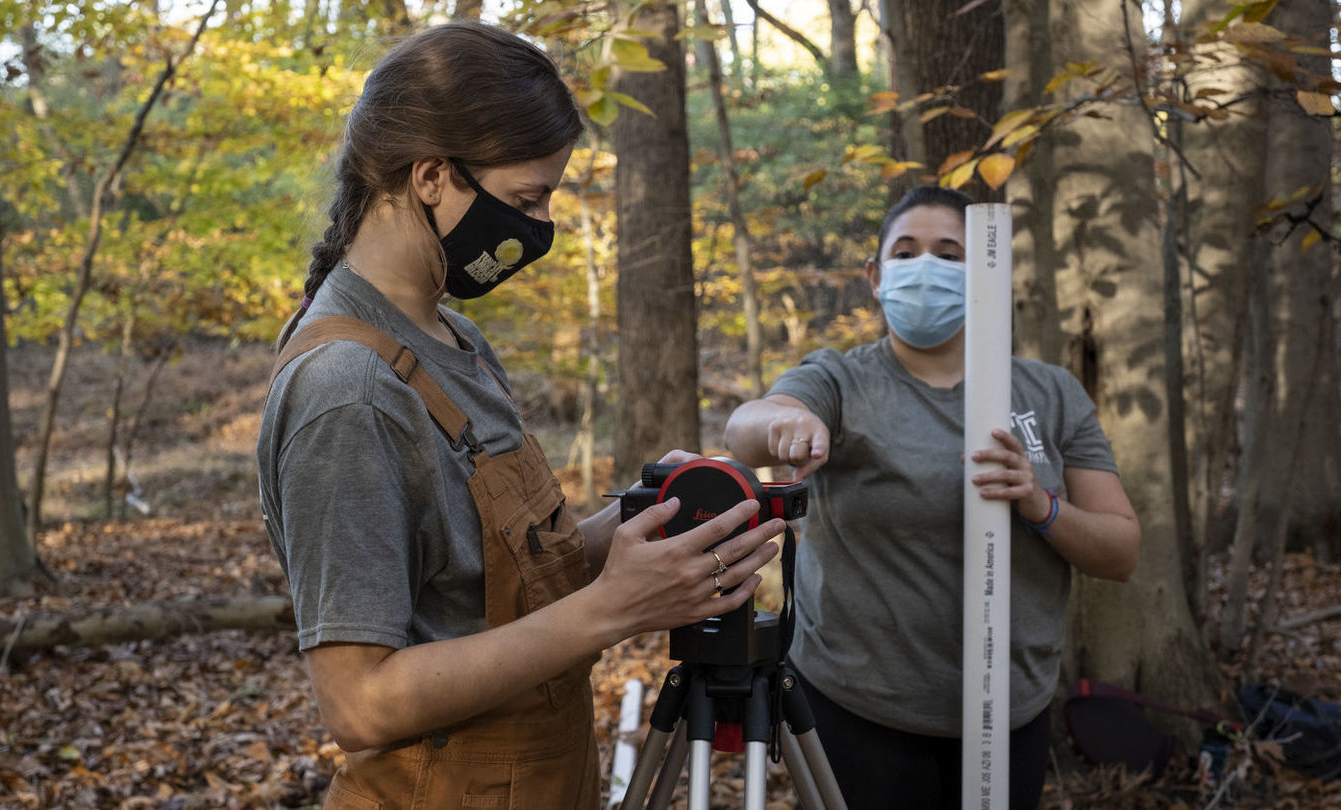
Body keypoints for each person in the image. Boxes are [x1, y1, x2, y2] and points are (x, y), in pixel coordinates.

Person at [255, 22, 781, 810]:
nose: (538, 228)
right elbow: (360, 705)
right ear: (431, 176)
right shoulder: (347, 391)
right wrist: (611, 612)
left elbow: (480, 585)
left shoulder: (448, 334)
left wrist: (638, 524)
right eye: (525, 199)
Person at [723, 185, 1141, 809]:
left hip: (1010, 713)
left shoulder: (1050, 393)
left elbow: (1120, 551)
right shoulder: (840, 380)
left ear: (985, 274)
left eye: (950, 253)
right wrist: (786, 424)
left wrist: (1039, 505)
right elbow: (748, 427)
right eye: (907, 251)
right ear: (875, 274)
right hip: (858, 709)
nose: (927, 268)